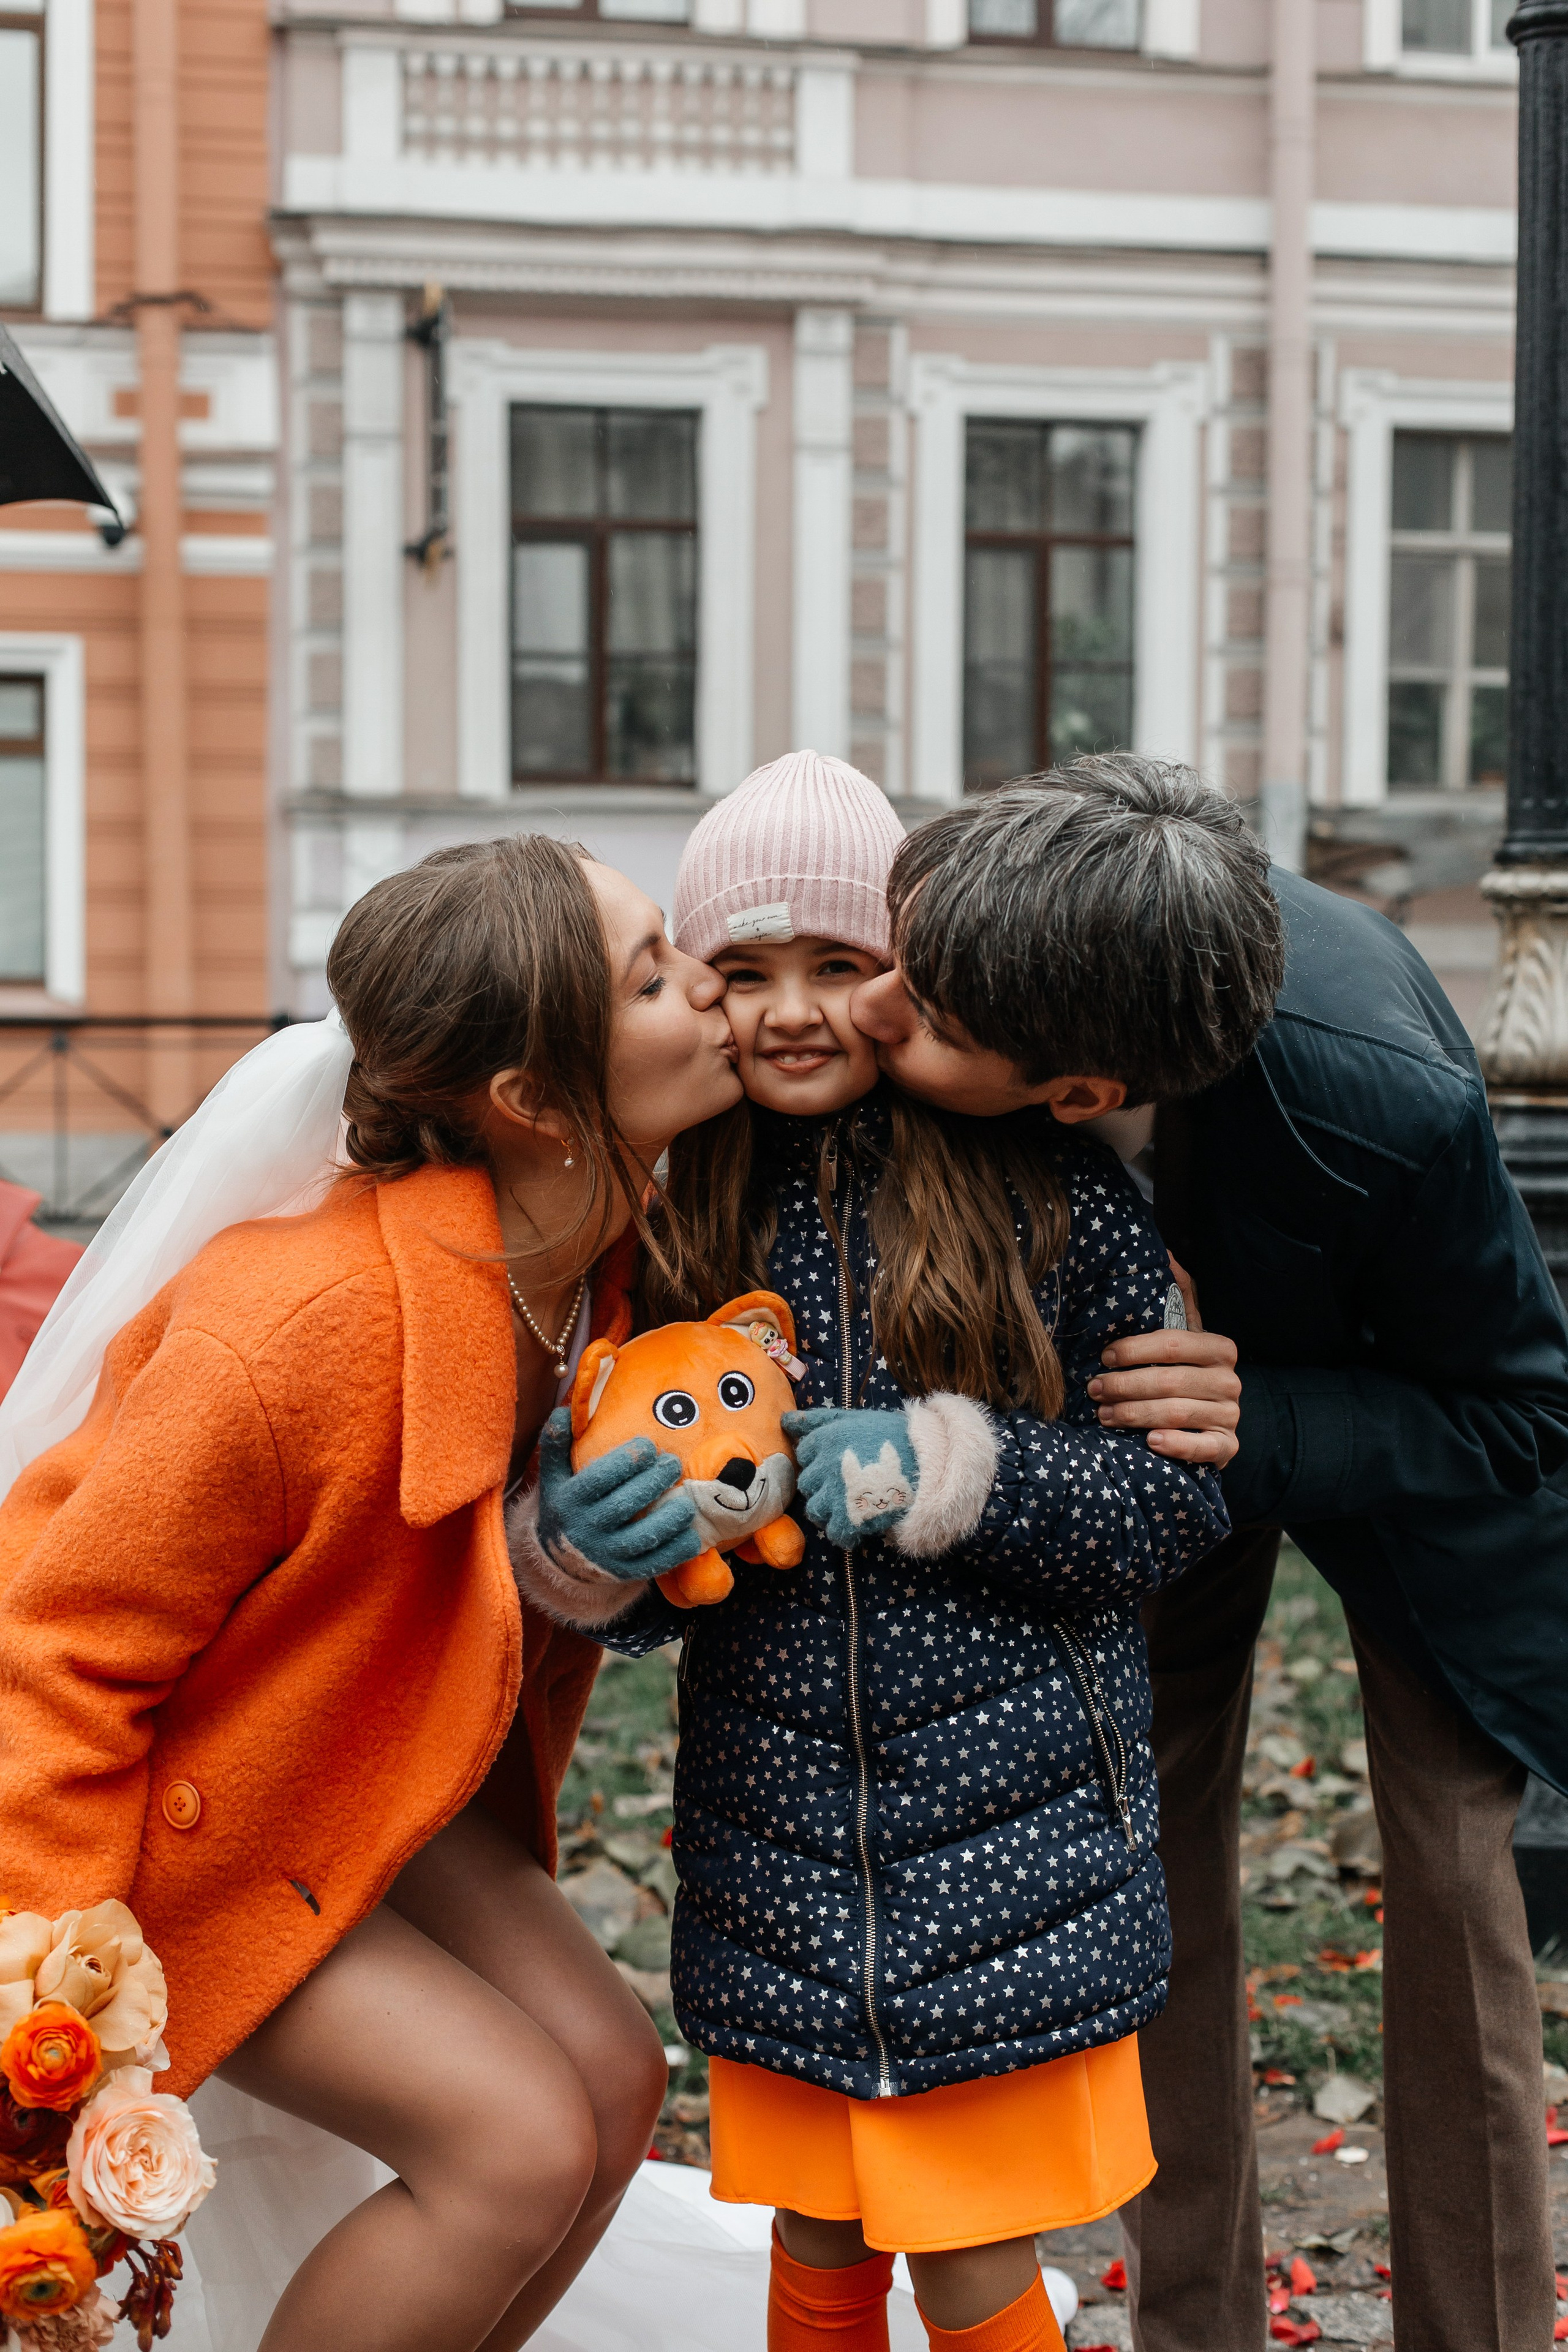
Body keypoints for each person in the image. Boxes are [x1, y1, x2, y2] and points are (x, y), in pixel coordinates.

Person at [509, 751, 1247, 2352]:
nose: (789, 1010)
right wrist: (599, 1556)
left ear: (904, 977)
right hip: (779, 1848)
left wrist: (953, 1472)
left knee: (974, 2258)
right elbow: (643, 1575)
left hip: (1018, 1851)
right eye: (744, 972)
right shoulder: (672, 1214)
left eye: (837, 967)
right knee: (821, 2241)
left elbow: (1171, 1506)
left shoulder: (1061, 1202)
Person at [851, 753, 1568, 2352]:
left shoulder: (1389, 1098)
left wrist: (1262, 1415)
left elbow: (1517, 1417)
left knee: (1459, 1884)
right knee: (1142, 1880)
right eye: (899, 958)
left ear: (1082, 1094)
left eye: (931, 1016)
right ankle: (1197, 2331)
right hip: (1134, 1461)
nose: (878, 1013)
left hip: (1393, 1447)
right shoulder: (982, 938)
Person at [0, 835, 744, 2352]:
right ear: (535, 1105)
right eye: (653, 975)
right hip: (166, 1835)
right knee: (514, 2142)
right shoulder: (293, 1323)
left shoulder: (592, 1269)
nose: (709, 988)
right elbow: (51, 1636)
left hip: (356, 1767)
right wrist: (58, 2010)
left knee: (611, 2082)